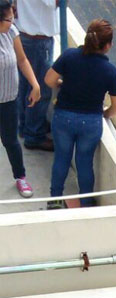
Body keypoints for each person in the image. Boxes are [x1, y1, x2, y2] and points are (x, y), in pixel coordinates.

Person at [44, 18, 116, 208]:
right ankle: (85, 202)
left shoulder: (70, 56)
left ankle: (54, 199)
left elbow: (48, 80)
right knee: (84, 163)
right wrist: (105, 114)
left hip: (63, 117)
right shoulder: (110, 71)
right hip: (91, 121)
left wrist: (61, 84)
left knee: (61, 158)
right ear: (107, 46)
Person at [1, 3, 40, 198]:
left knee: (11, 140)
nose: (13, 20)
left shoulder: (11, 32)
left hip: (8, 99)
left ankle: (20, 177)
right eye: (9, 18)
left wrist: (35, 84)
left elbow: (22, 60)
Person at [16, 0, 58, 152]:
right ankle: (34, 134)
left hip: (24, 32)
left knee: (24, 85)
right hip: (38, 38)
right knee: (40, 88)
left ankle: (25, 125)